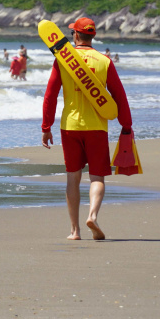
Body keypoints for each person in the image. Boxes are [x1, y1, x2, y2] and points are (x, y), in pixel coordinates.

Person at [41, 17, 133, 241]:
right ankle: (92, 215)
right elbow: (119, 96)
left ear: (75, 35)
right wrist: (126, 125)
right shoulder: (104, 61)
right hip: (97, 127)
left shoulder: (63, 60)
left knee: (73, 178)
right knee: (97, 177)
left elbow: (50, 94)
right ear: (93, 36)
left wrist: (46, 126)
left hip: (70, 127)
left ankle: (75, 231)